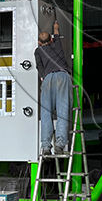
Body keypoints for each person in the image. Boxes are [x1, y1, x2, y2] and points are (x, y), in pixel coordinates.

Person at [35, 20, 71, 156]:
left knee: (46, 114)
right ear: (51, 40)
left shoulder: (38, 51)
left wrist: (43, 77)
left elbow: (39, 66)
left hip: (48, 78)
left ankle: (46, 147)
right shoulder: (56, 45)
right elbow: (56, 33)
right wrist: (55, 26)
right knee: (63, 113)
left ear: (39, 43)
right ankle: (60, 145)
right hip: (62, 76)